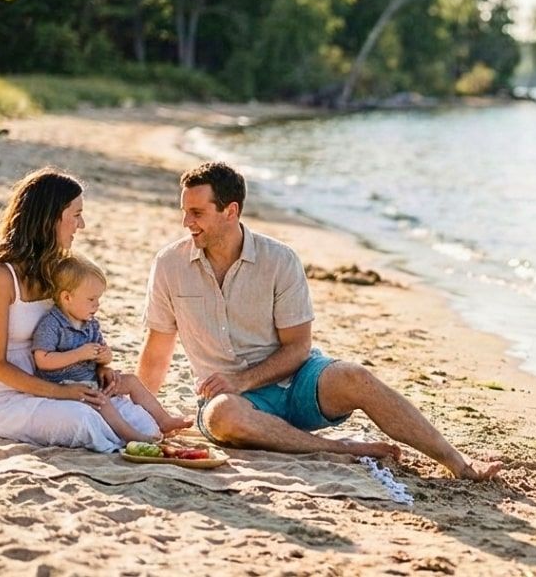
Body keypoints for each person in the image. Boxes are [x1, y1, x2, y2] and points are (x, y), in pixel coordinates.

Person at [136, 161, 502, 480]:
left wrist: (244, 378)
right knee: (224, 417)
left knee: (354, 376)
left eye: (196, 213)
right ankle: (338, 448)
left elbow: (299, 347)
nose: (187, 223)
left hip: (295, 382)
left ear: (230, 211)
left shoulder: (279, 260)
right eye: (184, 212)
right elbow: (157, 351)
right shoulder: (169, 265)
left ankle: (457, 462)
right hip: (234, 403)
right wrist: (136, 416)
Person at [0, 167, 161, 452]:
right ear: (49, 218)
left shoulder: (57, 269)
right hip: (4, 396)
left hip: (60, 382)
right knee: (83, 421)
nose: (81, 225)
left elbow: (75, 330)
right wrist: (62, 393)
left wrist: (101, 367)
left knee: (144, 424)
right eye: (76, 215)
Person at [31, 254, 190, 443]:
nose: (97, 304)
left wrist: (104, 360)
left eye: (98, 298)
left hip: (92, 379)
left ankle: (164, 420)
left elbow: (103, 355)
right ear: (67, 297)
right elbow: (42, 359)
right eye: (91, 299)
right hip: (65, 385)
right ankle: (131, 435)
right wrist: (79, 354)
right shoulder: (52, 324)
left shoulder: (90, 325)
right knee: (101, 401)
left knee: (131, 380)